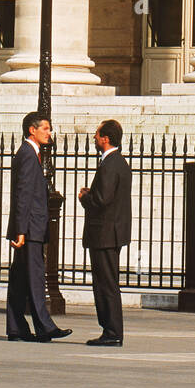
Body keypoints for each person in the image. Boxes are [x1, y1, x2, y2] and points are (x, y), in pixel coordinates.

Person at [5, 112, 72, 344]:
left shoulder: (29, 154)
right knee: (34, 278)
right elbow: (23, 195)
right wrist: (21, 230)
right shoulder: (27, 155)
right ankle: (44, 327)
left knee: (20, 279)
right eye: (45, 128)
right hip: (29, 229)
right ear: (32, 130)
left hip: (28, 227)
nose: (49, 133)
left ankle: (16, 327)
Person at [78, 119, 132, 346]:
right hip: (112, 231)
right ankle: (110, 330)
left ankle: (112, 331)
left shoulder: (110, 164)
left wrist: (85, 197)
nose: (94, 138)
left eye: (97, 134)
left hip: (105, 233)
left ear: (106, 138)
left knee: (106, 283)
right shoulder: (119, 162)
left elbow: (102, 199)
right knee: (107, 282)